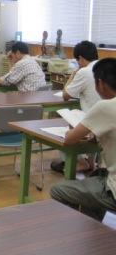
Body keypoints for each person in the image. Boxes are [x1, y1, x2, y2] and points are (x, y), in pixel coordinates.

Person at [50, 58, 116, 221]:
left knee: (58, 190)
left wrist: (70, 133)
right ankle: (93, 232)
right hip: (107, 174)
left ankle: (75, 233)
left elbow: (69, 140)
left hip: (113, 191)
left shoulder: (105, 107)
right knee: (94, 178)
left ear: (100, 83)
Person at [51, 41, 101, 173]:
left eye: (77, 60)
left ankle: (78, 162)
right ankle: (90, 163)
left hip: (91, 121)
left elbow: (66, 95)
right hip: (105, 118)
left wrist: (72, 75)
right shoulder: (104, 68)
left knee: (67, 122)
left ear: (80, 58)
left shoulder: (84, 72)